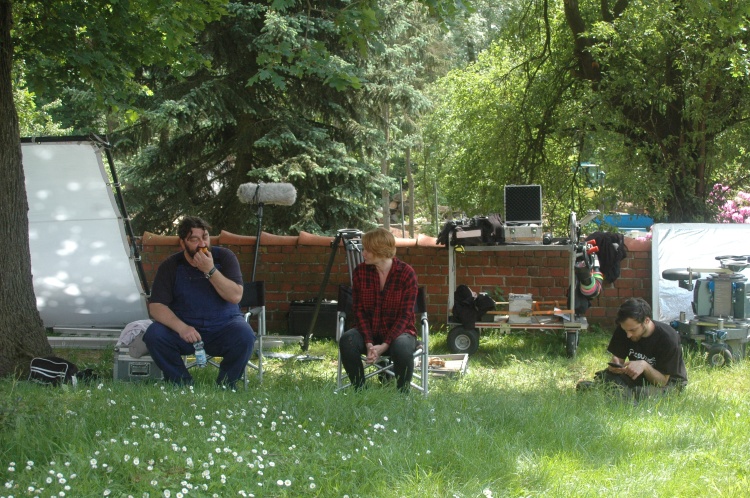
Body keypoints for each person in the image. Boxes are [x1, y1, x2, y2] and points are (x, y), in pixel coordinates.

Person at [143, 216, 255, 387]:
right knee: (154, 335)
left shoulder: (225, 257)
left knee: (245, 335)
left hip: (224, 326)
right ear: (182, 243)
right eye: (194, 240)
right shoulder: (170, 266)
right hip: (187, 329)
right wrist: (182, 328)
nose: (202, 244)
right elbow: (156, 307)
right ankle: (181, 383)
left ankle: (226, 384)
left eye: (205, 237)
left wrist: (209, 270)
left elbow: (235, 296)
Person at [339, 228, 418, 392]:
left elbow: (405, 316)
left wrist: (385, 344)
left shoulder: (406, 273)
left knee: (402, 347)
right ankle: (359, 391)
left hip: (399, 332)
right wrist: (369, 342)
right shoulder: (360, 272)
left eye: (367, 250)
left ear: (380, 251)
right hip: (369, 331)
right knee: (347, 340)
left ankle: (402, 394)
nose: (363, 253)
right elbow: (359, 310)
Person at [577, 297, 687, 400]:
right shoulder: (624, 329)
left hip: (667, 382)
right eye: (625, 330)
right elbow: (618, 361)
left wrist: (644, 366)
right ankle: (615, 391)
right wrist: (616, 366)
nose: (628, 335)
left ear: (646, 321)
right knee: (607, 376)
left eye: (633, 330)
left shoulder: (668, 338)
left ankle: (613, 391)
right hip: (635, 376)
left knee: (641, 393)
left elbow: (662, 381)